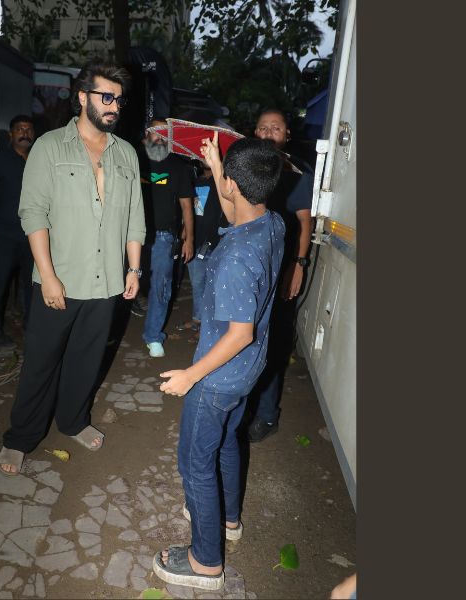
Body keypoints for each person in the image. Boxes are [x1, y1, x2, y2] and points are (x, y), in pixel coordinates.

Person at [0, 62, 145, 475]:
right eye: (106, 97)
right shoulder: (49, 147)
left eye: (119, 100)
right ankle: (20, 437)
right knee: (41, 364)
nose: (114, 106)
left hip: (106, 282)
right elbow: (32, 213)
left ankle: (74, 421)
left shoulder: (126, 153)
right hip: (58, 280)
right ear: (82, 97)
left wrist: (133, 270)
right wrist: (48, 276)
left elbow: (134, 217)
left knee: (86, 361)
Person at [152, 134, 285, 591]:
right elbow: (238, 213)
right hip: (248, 371)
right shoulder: (270, 223)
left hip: (218, 377)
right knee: (226, 441)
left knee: (195, 463)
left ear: (230, 185)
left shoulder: (236, 257)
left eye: (224, 177)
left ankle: (206, 562)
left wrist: (190, 376)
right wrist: (216, 164)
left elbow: (239, 333)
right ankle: (229, 520)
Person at [245, 109, 315, 442]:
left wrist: (298, 264)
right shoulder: (249, 168)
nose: (269, 133)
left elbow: (305, 222)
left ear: (287, 135)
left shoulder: (296, 172)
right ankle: (245, 401)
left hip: (282, 268)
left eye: (276, 128)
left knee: (272, 341)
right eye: (263, 128)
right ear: (255, 134)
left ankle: (267, 414)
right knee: (245, 335)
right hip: (250, 266)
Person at [138, 118, 195, 358]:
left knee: (161, 287)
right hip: (131, 235)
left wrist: (189, 239)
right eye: (156, 132)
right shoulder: (133, 160)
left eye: (165, 133)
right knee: (120, 282)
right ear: (146, 135)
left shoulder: (178, 167)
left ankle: (153, 336)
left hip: (163, 237)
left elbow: (186, 206)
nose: (160, 138)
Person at [0, 114, 36, 350]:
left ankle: (32, 327)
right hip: (4, 235)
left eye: (29, 129)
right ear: (11, 134)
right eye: (20, 129)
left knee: (33, 285)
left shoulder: (40, 159)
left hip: (34, 235)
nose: (25, 133)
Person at [176, 157, 228, 335]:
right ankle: (198, 320)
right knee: (197, 284)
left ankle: (209, 325)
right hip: (194, 241)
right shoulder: (194, 182)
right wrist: (185, 235)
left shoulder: (223, 182)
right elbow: (187, 210)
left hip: (215, 242)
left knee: (213, 286)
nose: (205, 160)